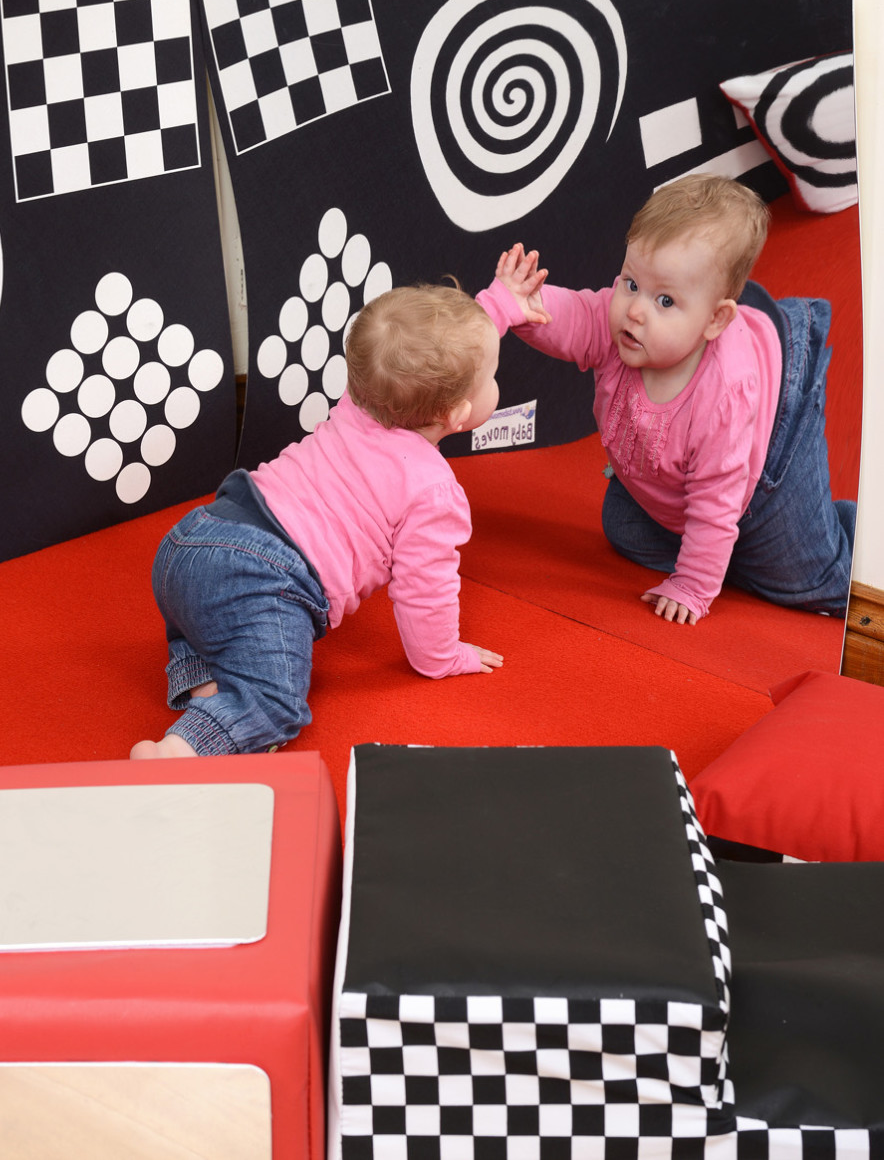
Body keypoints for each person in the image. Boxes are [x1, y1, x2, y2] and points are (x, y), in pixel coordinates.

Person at [131, 284, 503, 758]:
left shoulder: (360, 401)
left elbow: (441, 354)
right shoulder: (434, 492)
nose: (496, 380)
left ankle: (209, 685)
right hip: (263, 576)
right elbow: (425, 591)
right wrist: (444, 657)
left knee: (202, 614)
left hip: (191, 540)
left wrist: (503, 304)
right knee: (278, 705)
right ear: (458, 414)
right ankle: (181, 752)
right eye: (493, 376)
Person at [478, 174, 855, 625]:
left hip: (767, 463)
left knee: (810, 581)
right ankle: (720, 550)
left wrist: (694, 583)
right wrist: (521, 303)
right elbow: (573, 317)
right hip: (677, 486)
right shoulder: (623, 324)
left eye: (665, 301)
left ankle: (840, 535)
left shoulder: (723, 394)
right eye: (631, 284)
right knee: (625, 529)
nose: (635, 310)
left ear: (715, 320)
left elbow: (717, 499)